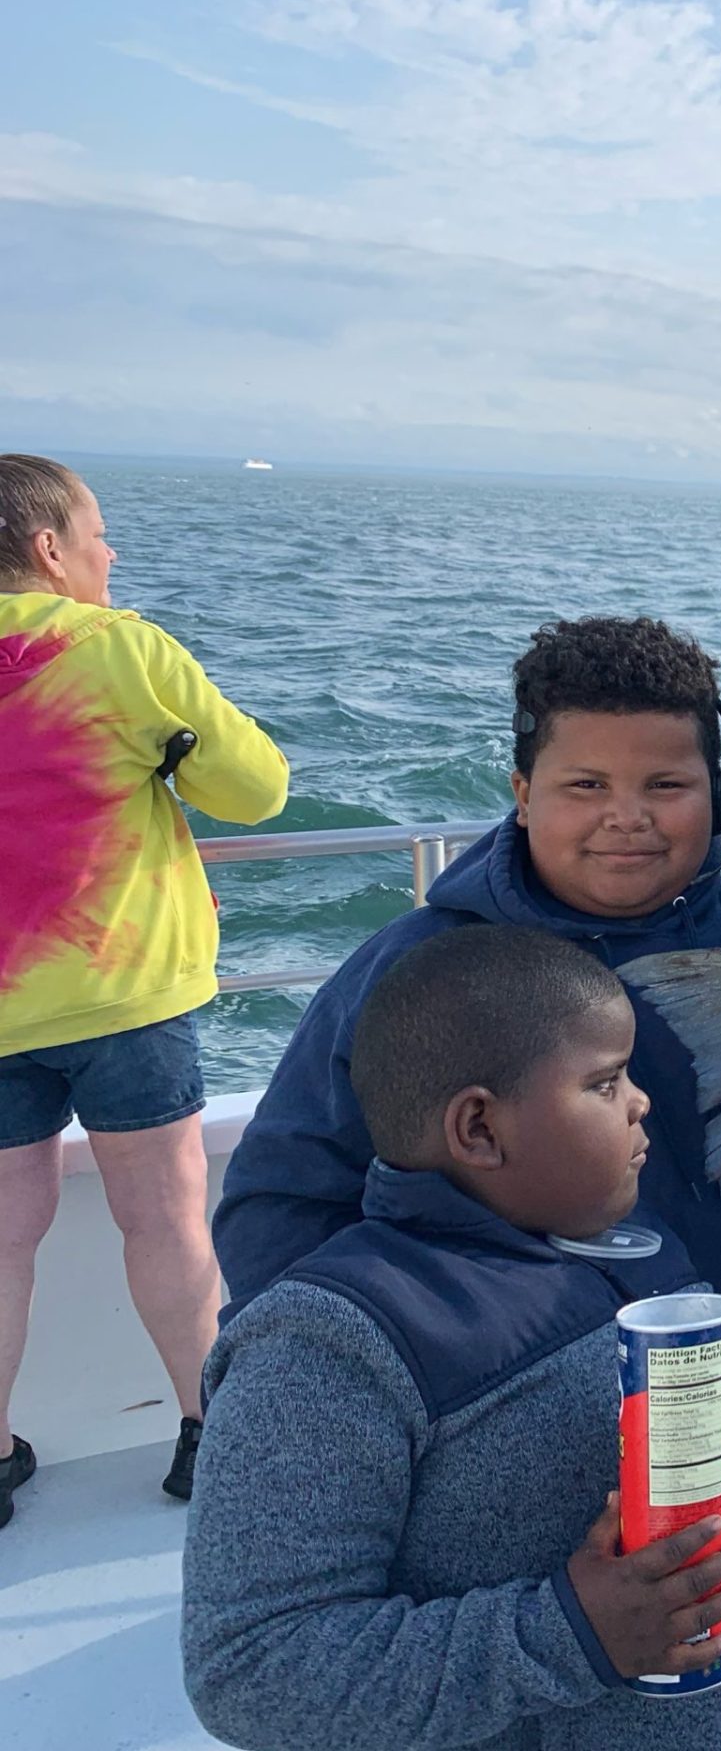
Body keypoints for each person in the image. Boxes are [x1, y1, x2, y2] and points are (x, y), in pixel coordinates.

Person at [213, 616, 721, 1751]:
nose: (628, 814)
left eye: (668, 782)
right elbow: (277, 1210)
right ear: (519, 789)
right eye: (584, 783)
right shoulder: (419, 981)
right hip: (532, 1542)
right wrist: (402, 1418)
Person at [183, 923, 721, 1749]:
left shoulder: (643, 1254)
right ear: (480, 1130)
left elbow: (711, 1486)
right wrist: (570, 1635)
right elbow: (251, 1667)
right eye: (605, 1083)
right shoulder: (331, 1342)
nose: (642, 1102)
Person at [0, 453, 288, 1524]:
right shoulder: (122, 653)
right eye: (96, 533)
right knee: (165, 1220)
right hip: (126, 998)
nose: (108, 553)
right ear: (48, 550)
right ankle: (208, 1435)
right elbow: (256, 789)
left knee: (1, 1233)